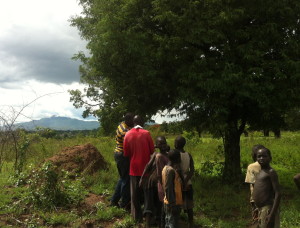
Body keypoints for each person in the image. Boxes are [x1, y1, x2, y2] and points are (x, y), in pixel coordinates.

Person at [123, 115, 155, 222]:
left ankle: (137, 217)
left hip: (134, 168)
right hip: (146, 169)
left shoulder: (127, 134)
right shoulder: (146, 134)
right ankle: (148, 216)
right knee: (147, 193)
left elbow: (126, 153)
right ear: (143, 122)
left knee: (135, 194)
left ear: (133, 122)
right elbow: (152, 151)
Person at [139, 136, 169, 228]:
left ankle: (159, 223)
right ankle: (148, 224)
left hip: (162, 183)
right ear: (156, 145)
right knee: (148, 204)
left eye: (164, 143)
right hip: (151, 182)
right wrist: (142, 178)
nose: (163, 145)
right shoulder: (155, 155)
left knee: (160, 204)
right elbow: (147, 166)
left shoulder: (169, 155)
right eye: (160, 143)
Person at [110, 113, 134, 209]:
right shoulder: (125, 130)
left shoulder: (122, 126)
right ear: (128, 120)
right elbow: (130, 143)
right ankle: (124, 203)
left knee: (123, 178)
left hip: (120, 154)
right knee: (126, 180)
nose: (134, 123)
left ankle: (114, 200)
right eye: (133, 120)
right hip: (122, 155)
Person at [253, 148, 281, 228]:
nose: (261, 158)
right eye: (259, 156)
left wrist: (272, 214)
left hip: (268, 209)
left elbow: (278, 193)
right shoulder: (260, 172)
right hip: (260, 209)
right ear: (256, 158)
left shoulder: (271, 172)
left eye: (264, 156)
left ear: (270, 158)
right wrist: (257, 207)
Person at [174, 136, 194, 228]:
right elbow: (192, 170)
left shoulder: (176, 154)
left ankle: (177, 223)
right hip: (188, 181)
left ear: (176, 144)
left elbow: (177, 169)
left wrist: (182, 182)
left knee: (177, 203)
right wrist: (186, 181)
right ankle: (191, 222)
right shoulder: (188, 155)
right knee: (189, 203)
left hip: (178, 181)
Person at [162, 149, 183, 228]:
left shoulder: (166, 168)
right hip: (173, 202)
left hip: (169, 201)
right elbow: (168, 188)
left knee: (169, 222)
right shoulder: (170, 171)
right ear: (177, 159)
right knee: (172, 224)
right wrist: (173, 204)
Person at [245, 144, 265, 222]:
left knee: (257, 220)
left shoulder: (251, 166)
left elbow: (253, 183)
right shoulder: (268, 165)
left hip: (256, 197)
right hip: (268, 198)